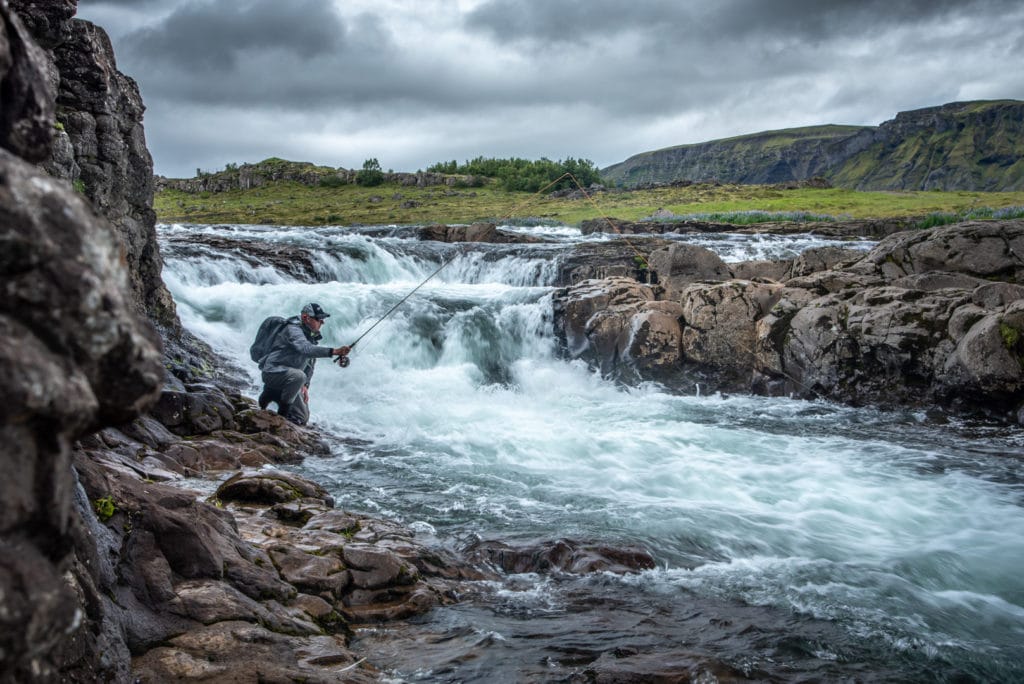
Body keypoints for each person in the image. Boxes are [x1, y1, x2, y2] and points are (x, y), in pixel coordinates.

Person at [257, 302, 349, 425]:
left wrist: (305, 385)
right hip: (273, 372)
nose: (322, 322)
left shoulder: (311, 335)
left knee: (301, 417)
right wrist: (334, 351)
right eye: (319, 319)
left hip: (291, 379)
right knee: (298, 376)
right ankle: (281, 415)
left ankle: (272, 394)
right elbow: (305, 349)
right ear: (306, 318)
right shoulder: (292, 329)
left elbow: (311, 361)